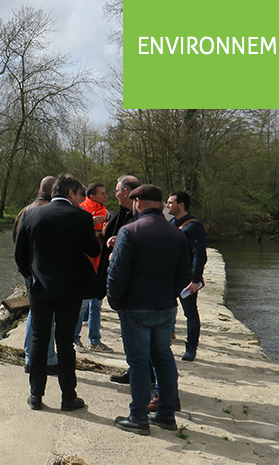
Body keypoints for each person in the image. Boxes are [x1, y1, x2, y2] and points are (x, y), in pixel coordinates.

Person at [107, 184, 191, 435]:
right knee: (163, 358)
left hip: (136, 307)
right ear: (159, 202)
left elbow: (117, 272)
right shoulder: (177, 233)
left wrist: (115, 301)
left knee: (139, 362)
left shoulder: (129, 231)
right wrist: (170, 294)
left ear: (138, 203)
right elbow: (184, 274)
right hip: (165, 306)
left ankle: (139, 417)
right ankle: (166, 414)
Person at [15, 174, 101, 412]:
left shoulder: (30, 214)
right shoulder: (82, 217)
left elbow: (19, 254)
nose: (81, 200)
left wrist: (30, 277)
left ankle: (35, 396)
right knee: (65, 343)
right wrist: (96, 233)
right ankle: (68, 397)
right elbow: (93, 250)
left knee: (39, 340)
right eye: (80, 195)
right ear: (71, 193)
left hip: (40, 289)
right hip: (70, 291)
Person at [13, 176, 59, 375]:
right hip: (43, 272)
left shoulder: (25, 210)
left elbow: (16, 241)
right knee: (47, 315)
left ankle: (30, 356)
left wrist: (24, 269)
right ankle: (47, 358)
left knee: (35, 312)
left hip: (28, 270)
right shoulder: (49, 212)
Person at [103, 175, 141, 384]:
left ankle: (147, 382)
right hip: (124, 283)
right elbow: (108, 233)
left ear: (126, 192)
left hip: (134, 286)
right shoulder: (123, 214)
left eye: (117, 190)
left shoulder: (138, 216)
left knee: (140, 337)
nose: (114, 194)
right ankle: (134, 370)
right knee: (130, 335)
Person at [166, 191, 208, 361]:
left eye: (170, 203)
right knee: (166, 311)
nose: (167, 205)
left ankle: (191, 348)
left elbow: (199, 255)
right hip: (169, 277)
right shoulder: (170, 224)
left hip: (186, 279)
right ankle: (164, 344)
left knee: (190, 313)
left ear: (181, 205)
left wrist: (195, 279)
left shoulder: (194, 227)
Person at [74, 182, 112, 353]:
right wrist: (91, 224)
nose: (106, 196)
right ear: (92, 196)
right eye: (102, 193)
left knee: (96, 304)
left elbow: (107, 239)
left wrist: (105, 233)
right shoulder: (80, 211)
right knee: (81, 305)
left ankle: (95, 340)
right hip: (84, 266)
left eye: (105, 193)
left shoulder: (107, 213)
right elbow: (75, 237)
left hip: (100, 265)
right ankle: (75, 339)